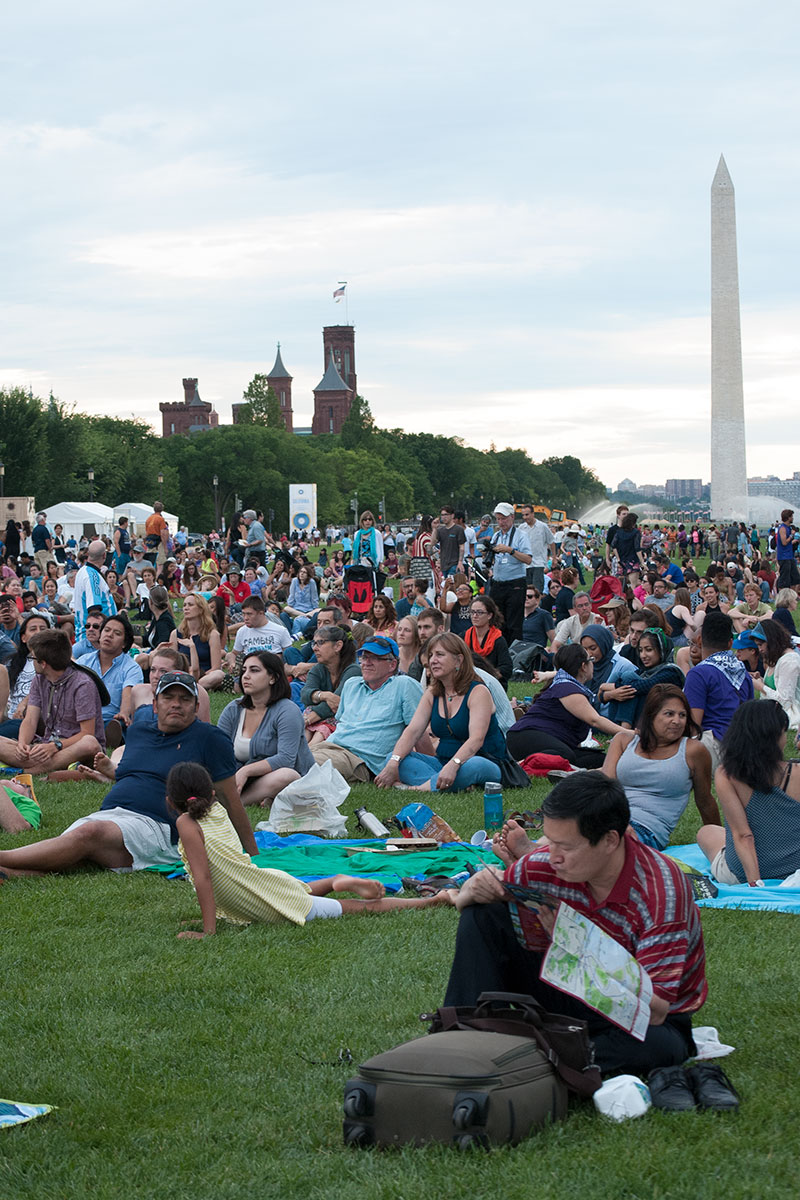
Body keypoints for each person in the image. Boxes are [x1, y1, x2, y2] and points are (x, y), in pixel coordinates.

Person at [444, 773, 707, 1075]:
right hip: (563, 986)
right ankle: (463, 1034)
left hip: (641, 1014)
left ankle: (538, 1060)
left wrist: (577, 943)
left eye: (565, 847)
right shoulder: (543, 866)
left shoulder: (661, 894)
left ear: (610, 840)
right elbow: (485, 909)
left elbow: (654, 1010)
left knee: (661, 1047)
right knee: (484, 913)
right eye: (549, 841)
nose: (552, 857)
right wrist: (469, 894)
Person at [0, 671, 256, 879]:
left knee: (86, 835)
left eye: (184, 699)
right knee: (74, 851)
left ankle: (3, 856)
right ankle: (8, 873)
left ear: (196, 706)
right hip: (111, 815)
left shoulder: (209, 739)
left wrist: (253, 854)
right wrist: (109, 772)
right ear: (155, 704)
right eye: (168, 697)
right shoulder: (140, 732)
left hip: (159, 828)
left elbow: (229, 798)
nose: (176, 704)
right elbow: (130, 775)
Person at [167, 761, 453, 936]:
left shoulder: (186, 823)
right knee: (301, 895)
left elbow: (205, 878)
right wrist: (217, 914)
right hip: (261, 883)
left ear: (170, 802)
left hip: (259, 893)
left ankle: (428, 902)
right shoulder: (217, 810)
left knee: (353, 908)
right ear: (212, 795)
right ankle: (333, 881)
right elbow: (220, 871)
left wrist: (208, 931)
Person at [375, 632, 504, 792]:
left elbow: (476, 740)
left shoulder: (478, 692)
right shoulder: (432, 693)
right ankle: (449, 784)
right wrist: (394, 762)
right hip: (442, 763)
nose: (433, 660)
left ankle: (417, 789)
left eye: (440, 655)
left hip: (483, 761)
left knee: (474, 765)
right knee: (394, 757)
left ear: (459, 660)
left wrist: (454, 765)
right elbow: (413, 731)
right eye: (431, 655)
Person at [602, 684, 717, 850]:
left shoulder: (693, 751)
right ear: (651, 716)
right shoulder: (623, 741)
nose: (677, 721)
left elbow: (705, 801)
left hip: (646, 829)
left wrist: (721, 844)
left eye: (682, 715)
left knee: (600, 847)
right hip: (608, 817)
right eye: (669, 714)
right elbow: (605, 788)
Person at [698, 700, 800, 885]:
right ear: (775, 736)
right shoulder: (797, 773)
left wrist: (755, 883)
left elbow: (743, 835)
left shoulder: (727, 774)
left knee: (706, 833)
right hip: (794, 869)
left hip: (743, 872)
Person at [310, 635, 425, 782]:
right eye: (364, 657)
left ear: (392, 664)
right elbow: (340, 723)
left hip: (359, 759)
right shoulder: (352, 684)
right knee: (288, 761)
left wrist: (430, 766)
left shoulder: (404, 685)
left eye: (375, 658)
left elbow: (418, 731)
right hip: (328, 747)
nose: (366, 663)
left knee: (304, 765)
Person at [0, 629, 106, 775]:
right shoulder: (39, 679)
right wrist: (22, 744)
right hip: (45, 745)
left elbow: (87, 733)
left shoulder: (82, 684)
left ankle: (30, 769)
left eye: (32, 658)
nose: (31, 662)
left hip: (74, 747)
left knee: (90, 743)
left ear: (43, 663)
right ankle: (42, 764)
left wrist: (56, 746)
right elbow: (30, 720)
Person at [217, 651, 314, 807]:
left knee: (286, 775)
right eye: (244, 670)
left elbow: (286, 759)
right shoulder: (234, 709)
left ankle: (234, 804)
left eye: (254, 670)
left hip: (285, 776)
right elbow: (218, 750)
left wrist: (246, 771)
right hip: (240, 775)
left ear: (273, 678)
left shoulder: (287, 711)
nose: (246, 676)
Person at [506, 644, 624, 768]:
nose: (593, 664)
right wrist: (629, 734)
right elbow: (595, 720)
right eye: (591, 660)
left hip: (541, 740)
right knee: (565, 755)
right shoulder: (567, 688)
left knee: (599, 759)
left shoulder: (565, 684)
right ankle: (520, 766)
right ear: (584, 666)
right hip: (525, 737)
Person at [683, 610, 754, 772]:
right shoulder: (743, 672)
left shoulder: (698, 673)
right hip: (744, 748)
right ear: (730, 643)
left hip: (714, 747)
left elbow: (693, 726)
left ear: (699, 640)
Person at [75, 613, 144, 743]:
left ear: (124, 643)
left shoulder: (131, 668)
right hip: (81, 717)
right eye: (106, 630)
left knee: (118, 725)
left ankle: (109, 735)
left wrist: (123, 712)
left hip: (109, 719)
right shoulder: (83, 661)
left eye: (117, 633)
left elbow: (128, 692)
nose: (109, 635)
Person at [599, 627, 686, 726]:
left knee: (629, 683)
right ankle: (619, 728)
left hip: (659, 719)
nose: (643, 655)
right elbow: (604, 696)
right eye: (640, 650)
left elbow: (642, 686)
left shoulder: (671, 672)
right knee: (627, 679)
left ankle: (624, 730)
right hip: (641, 719)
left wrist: (605, 688)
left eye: (648, 650)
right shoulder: (644, 672)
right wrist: (611, 694)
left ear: (661, 650)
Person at [300, 625, 361, 744]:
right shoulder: (318, 669)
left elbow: (336, 705)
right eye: (314, 643)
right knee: (309, 710)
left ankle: (308, 753)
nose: (315, 648)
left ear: (338, 646)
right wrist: (325, 695)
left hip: (346, 721)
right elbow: (305, 695)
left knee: (326, 724)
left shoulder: (354, 670)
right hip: (318, 717)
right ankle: (298, 752)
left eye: (320, 643)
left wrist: (307, 720)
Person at [485, 503, 531, 643]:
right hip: (498, 583)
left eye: (504, 518)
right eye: (498, 519)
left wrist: (510, 550)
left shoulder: (521, 535)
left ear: (512, 517)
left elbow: (528, 559)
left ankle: (514, 656)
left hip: (515, 583)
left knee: (514, 624)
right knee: (497, 622)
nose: (501, 522)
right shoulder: (496, 536)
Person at [0, 614, 50, 739]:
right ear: (23, 638)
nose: (38, 633)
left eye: (43, 629)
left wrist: (24, 703)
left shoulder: (56, 663)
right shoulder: (12, 663)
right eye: (33, 629)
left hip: (37, 718)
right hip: (10, 717)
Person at [578, 624, 639, 725]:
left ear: (604, 644)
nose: (589, 654)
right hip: (589, 716)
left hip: (611, 719)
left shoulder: (622, 666)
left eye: (593, 648)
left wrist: (608, 695)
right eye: (585, 649)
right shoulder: (586, 665)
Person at [749, 620, 800, 728]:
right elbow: (776, 687)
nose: (760, 649)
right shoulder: (776, 657)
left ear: (771, 640)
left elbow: (785, 701)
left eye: (761, 644)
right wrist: (761, 680)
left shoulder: (789, 661)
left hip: (791, 713)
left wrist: (760, 686)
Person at [170, 593, 224, 691]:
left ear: (200, 609)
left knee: (218, 674)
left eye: (190, 605)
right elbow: (172, 665)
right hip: (183, 675)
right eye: (184, 605)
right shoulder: (176, 634)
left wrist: (199, 675)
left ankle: (193, 686)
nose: (186, 608)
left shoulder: (212, 634)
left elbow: (216, 667)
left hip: (205, 675)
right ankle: (193, 686)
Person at [70, 539, 116, 639]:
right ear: (104, 555)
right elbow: (94, 611)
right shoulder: (92, 577)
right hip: (92, 639)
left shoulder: (82, 571)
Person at [464, 595, 512, 688]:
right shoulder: (464, 637)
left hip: (492, 684)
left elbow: (506, 668)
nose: (475, 616)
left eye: (479, 612)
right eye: (472, 612)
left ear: (490, 615)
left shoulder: (498, 639)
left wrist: (486, 676)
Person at [519, 504, 555, 592]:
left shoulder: (542, 526)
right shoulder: (521, 528)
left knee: (537, 590)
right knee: (527, 591)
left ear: (533, 514)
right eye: (523, 515)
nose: (525, 517)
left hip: (538, 562)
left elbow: (551, 542)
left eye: (527, 514)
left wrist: (554, 558)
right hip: (525, 564)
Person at [434, 506, 466, 577]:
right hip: (443, 564)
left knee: (452, 583)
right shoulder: (440, 530)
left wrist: (460, 562)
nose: (444, 517)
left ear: (452, 515)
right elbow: (433, 542)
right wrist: (434, 529)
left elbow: (462, 547)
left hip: (454, 563)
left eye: (446, 515)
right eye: (442, 515)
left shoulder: (458, 529)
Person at [776, 509, 799, 591]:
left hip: (790, 556)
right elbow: (784, 542)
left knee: (795, 578)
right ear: (788, 517)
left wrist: (794, 541)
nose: (793, 518)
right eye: (791, 516)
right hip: (784, 557)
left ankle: (791, 597)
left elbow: (788, 543)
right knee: (784, 580)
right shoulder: (783, 528)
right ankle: (782, 597)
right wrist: (792, 536)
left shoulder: (788, 528)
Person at [144, 501, 170, 567]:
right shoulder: (160, 519)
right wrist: (165, 547)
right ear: (162, 509)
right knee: (160, 564)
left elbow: (146, 533)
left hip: (150, 542)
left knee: (150, 561)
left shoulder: (148, 519)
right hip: (158, 542)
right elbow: (163, 534)